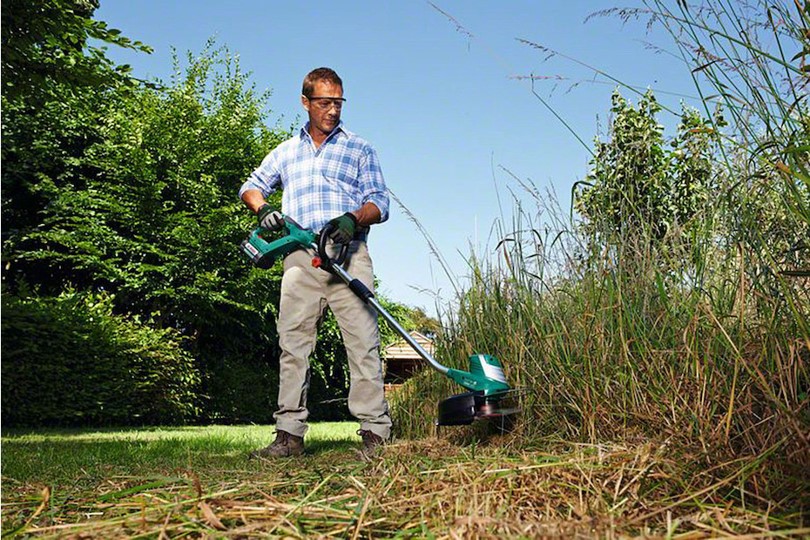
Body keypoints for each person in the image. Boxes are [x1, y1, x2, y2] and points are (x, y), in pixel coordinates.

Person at [239, 67, 392, 458]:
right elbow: (251, 186)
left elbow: (380, 201)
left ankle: (376, 434)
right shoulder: (286, 151)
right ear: (305, 103)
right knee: (293, 345)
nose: (333, 110)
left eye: (338, 103)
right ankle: (289, 435)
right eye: (324, 102)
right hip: (300, 259)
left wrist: (353, 218)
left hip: (348, 255)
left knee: (362, 344)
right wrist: (264, 210)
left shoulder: (359, 148)